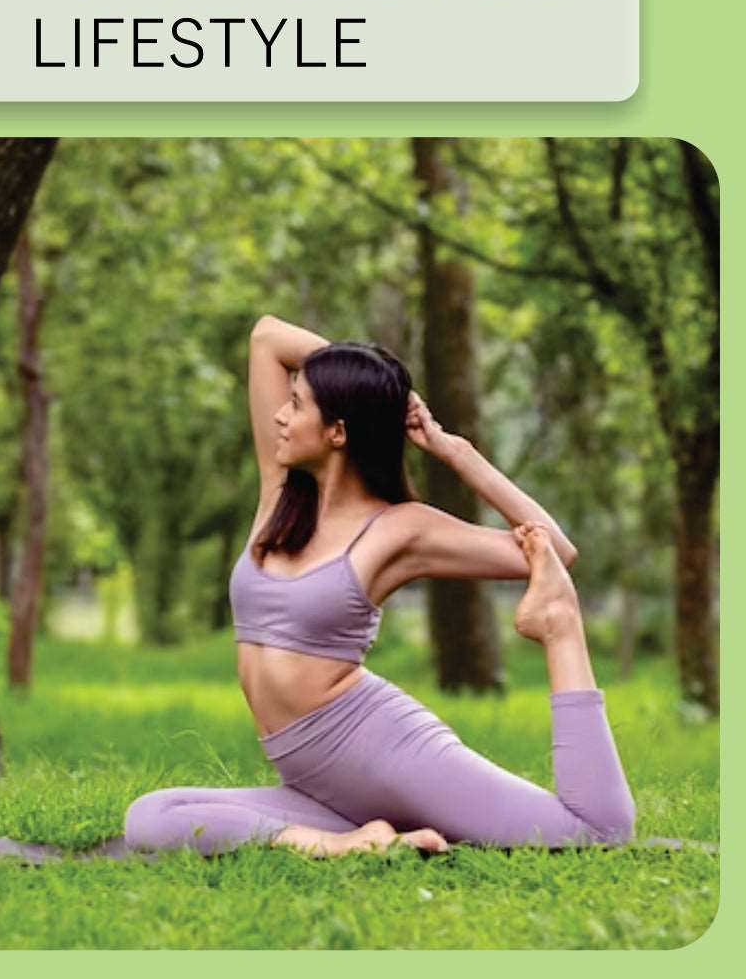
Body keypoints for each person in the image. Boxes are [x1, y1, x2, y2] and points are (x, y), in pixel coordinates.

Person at [118, 314, 636, 859]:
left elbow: (554, 550)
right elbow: (267, 337)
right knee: (151, 818)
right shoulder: (279, 495)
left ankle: (560, 629)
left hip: (378, 748)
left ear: (338, 431)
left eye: (297, 405)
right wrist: (387, 393)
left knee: (594, 834)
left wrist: (451, 449)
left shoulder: (399, 529)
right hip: (315, 775)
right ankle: (346, 843)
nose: (279, 415)